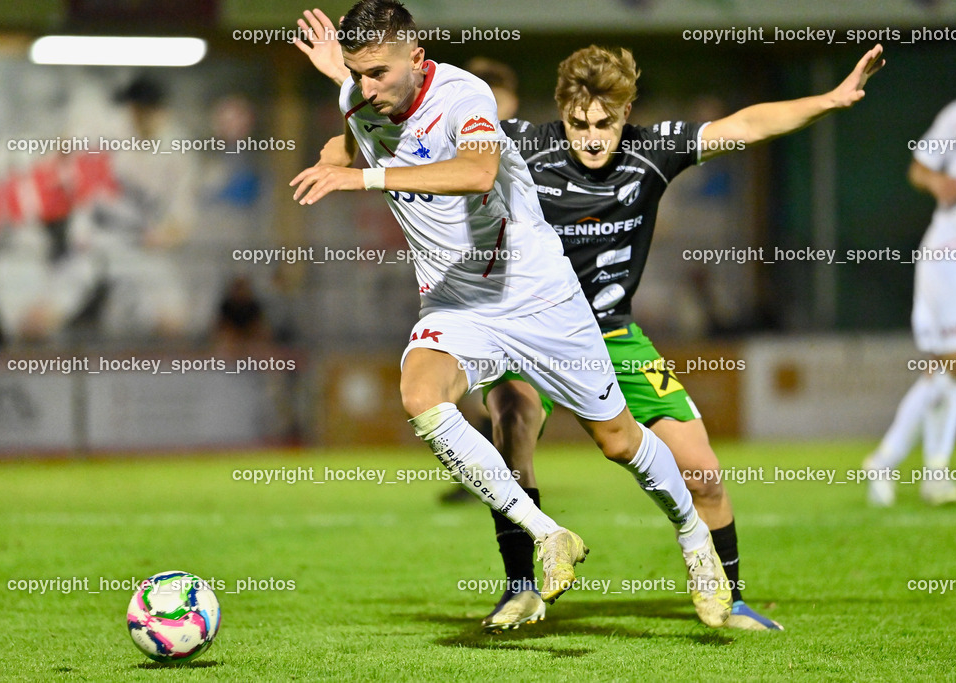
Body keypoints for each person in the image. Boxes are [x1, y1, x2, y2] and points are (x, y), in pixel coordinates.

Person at [297, 7, 884, 632]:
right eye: (579, 122)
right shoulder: (390, 101)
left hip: (562, 309)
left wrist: (829, 99)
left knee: (627, 444)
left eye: (605, 122)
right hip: (461, 303)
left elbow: (475, 166)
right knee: (456, 407)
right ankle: (535, 558)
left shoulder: (640, 152)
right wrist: (343, 118)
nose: (592, 134)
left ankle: (701, 550)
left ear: (626, 117)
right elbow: (359, 133)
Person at [864, 38, 956, 507]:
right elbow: (919, 169)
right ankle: (935, 473)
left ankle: (885, 460)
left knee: (951, 373)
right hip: (953, 251)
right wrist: (938, 181)